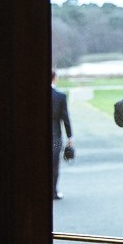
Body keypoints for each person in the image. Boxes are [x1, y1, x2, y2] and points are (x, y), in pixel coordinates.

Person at [51, 69, 73, 199]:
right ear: (55, 78)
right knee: (54, 164)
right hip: (55, 135)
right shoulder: (60, 96)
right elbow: (65, 118)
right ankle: (53, 191)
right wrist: (70, 136)